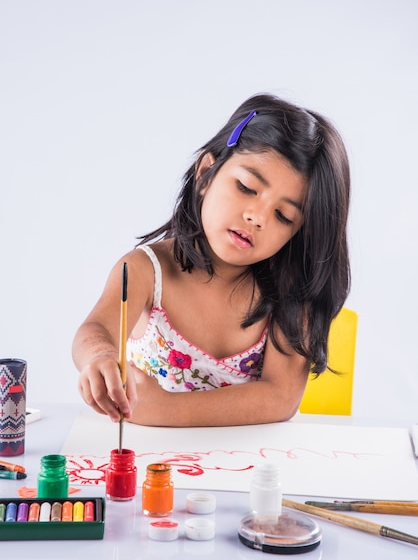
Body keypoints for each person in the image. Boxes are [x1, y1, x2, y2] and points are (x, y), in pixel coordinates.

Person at [72, 93, 351, 427]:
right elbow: (96, 329)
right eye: (247, 187)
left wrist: (166, 409)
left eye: (283, 215)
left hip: (246, 471)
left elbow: (281, 397)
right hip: (153, 466)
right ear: (206, 173)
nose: (257, 217)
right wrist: (99, 355)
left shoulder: (290, 292)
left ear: (298, 233)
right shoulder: (147, 269)